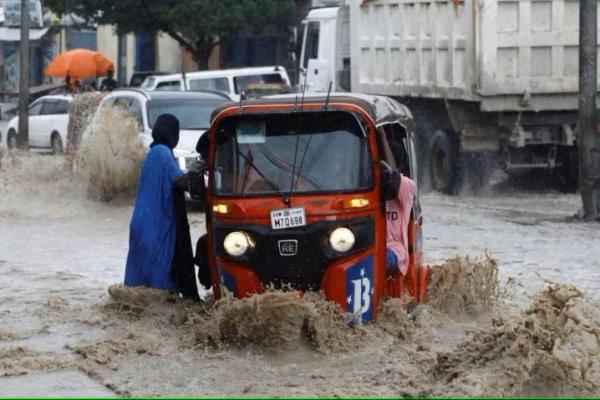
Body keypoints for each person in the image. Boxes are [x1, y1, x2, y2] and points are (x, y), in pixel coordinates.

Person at [124, 114, 199, 300]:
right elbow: (179, 182)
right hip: (156, 226)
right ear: (174, 136)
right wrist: (198, 171)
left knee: (139, 283)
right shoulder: (164, 153)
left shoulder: (151, 154)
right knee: (160, 284)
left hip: (141, 223)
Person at [385, 173, 416, 276]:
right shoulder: (368, 192)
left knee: (382, 262)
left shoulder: (405, 192)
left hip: (395, 249)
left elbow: (411, 186)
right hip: (372, 247)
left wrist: (391, 176)